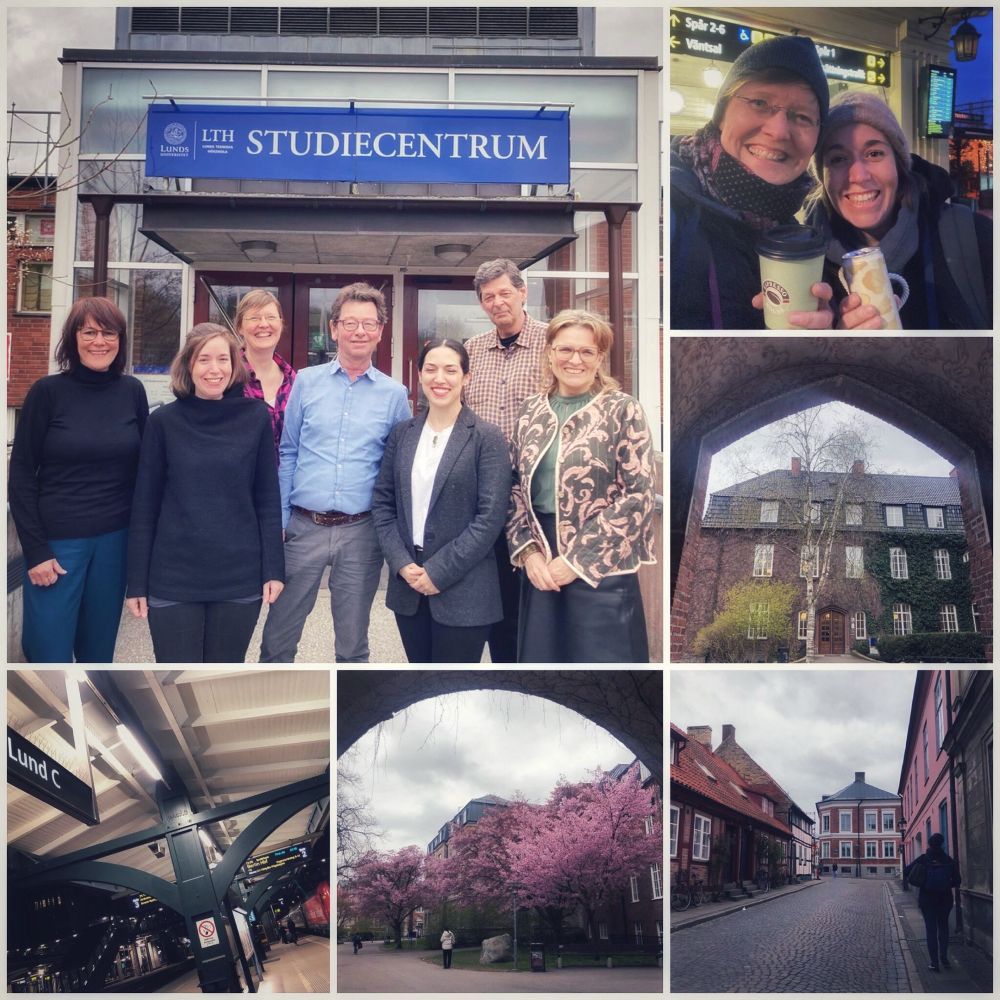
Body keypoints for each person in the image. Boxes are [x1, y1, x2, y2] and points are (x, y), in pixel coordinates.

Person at [260, 282, 410, 662]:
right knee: (278, 640)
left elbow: (397, 468)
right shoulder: (306, 383)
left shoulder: (395, 395)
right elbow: (289, 451)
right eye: (350, 323)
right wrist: (279, 520)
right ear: (333, 328)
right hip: (302, 528)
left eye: (368, 324)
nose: (359, 331)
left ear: (379, 331)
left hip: (362, 533)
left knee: (353, 645)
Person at [126, 323, 284, 662]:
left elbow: (267, 499)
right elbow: (144, 506)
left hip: (239, 577)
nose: (215, 369)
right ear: (188, 366)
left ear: (234, 365)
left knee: (227, 670)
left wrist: (274, 569)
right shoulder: (163, 423)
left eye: (223, 360)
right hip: (173, 578)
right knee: (175, 671)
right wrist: (136, 582)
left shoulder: (255, 416)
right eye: (204, 360)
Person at [507, 310, 655, 663]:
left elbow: (639, 494)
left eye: (587, 352)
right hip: (541, 559)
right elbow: (512, 487)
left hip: (602, 568)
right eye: (565, 350)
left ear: (600, 358)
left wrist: (576, 560)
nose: (575, 360)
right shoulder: (529, 411)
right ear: (550, 353)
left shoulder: (623, 410)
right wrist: (528, 554)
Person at [9, 296, 149, 662]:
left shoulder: (132, 392)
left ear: (120, 340)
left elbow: (145, 471)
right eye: (89, 332)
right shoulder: (47, 393)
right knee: (47, 654)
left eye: (108, 333)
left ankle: (89, 717)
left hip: (115, 543)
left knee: (98, 654)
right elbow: (21, 473)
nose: (99, 341)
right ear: (73, 338)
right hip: (57, 545)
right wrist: (36, 550)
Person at [671, 35, 836, 329]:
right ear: (721, 114)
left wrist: (824, 336)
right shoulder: (667, 206)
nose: (778, 130)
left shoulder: (794, 238)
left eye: (802, 117)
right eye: (760, 103)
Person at [373, 338, 511, 663]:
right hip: (408, 586)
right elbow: (383, 503)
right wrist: (401, 563)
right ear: (419, 374)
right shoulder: (402, 433)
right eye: (431, 369)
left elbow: (489, 518)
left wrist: (438, 571)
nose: (440, 379)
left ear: (466, 378)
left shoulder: (486, 438)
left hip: (465, 589)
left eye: (451, 370)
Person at [806, 91, 992, 329]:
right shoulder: (806, 267)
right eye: (838, 159)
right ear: (823, 177)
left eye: (874, 154)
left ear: (898, 163)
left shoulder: (973, 237)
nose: (859, 176)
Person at [464, 258, 548, 662]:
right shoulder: (471, 351)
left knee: (525, 590)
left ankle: (516, 662)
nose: (497, 303)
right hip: (479, 490)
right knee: (485, 581)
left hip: (532, 491)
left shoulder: (553, 345)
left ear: (522, 292)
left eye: (503, 293)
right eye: (488, 297)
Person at [235, 289, 297, 460]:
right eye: (254, 318)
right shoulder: (228, 377)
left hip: (286, 483)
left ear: (281, 324)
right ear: (240, 326)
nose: (263, 324)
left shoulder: (295, 382)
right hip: (239, 483)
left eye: (271, 317)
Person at [905, 832, 961, 971]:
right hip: (945, 899)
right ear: (941, 844)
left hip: (927, 899)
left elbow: (907, 872)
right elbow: (958, 881)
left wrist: (923, 882)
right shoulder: (948, 860)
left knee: (930, 930)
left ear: (929, 844)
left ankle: (934, 963)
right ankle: (944, 958)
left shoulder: (924, 859)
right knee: (943, 928)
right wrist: (946, 885)